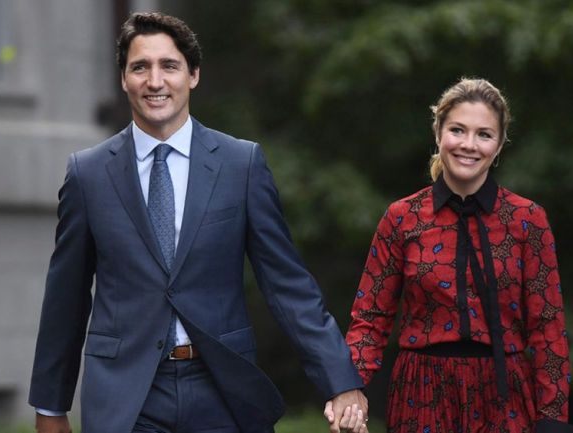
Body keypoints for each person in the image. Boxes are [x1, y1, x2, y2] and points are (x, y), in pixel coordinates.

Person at [28, 12, 368, 433]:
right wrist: (50, 406)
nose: (155, 81)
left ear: (193, 75)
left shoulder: (240, 164)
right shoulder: (88, 174)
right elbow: (66, 298)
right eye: (140, 67)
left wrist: (340, 381)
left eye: (168, 66)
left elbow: (287, 285)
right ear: (123, 79)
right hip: (127, 397)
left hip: (222, 389)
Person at [328, 78, 573, 432]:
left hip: (505, 397)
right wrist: (347, 386)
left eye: (484, 134)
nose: (469, 145)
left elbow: (547, 327)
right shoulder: (402, 218)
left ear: (499, 145)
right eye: (458, 130)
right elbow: (370, 317)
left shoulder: (527, 220)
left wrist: (553, 418)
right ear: (438, 134)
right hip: (421, 394)